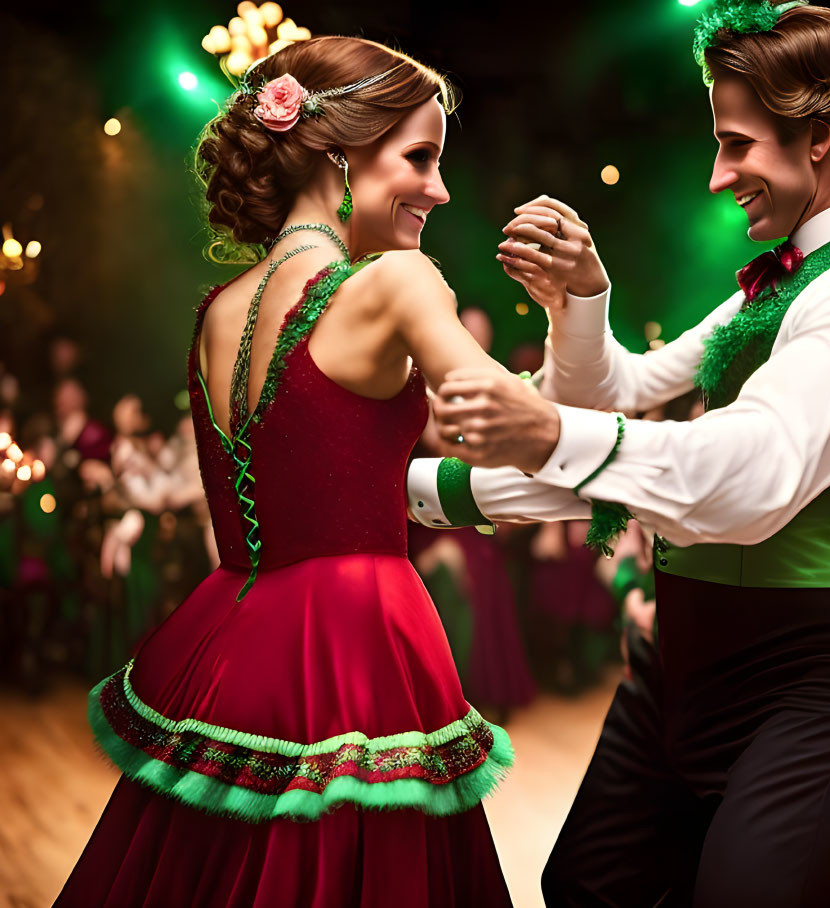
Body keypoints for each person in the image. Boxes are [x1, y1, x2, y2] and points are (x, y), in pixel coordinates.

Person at [406, 1, 830, 904]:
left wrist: (541, 435)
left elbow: (746, 476)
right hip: (691, 653)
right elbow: (628, 400)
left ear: (821, 136)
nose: (719, 177)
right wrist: (582, 305)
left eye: (737, 143)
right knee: (593, 882)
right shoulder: (789, 279)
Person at [57, 36, 517, 907]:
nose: (440, 188)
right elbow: (506, 423)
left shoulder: (217, 311)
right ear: (337, 153)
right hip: (359, 639)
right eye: (419, 157)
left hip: (233, 634)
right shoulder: (395, 283)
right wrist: (581, 319)